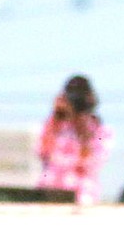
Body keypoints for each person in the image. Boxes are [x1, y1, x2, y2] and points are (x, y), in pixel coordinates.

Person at [37, 75, 111, 205]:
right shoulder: (56, 126)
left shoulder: (100, 130)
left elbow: (87, 163)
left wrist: (82, 123)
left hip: (81, 195)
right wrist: (56, 116)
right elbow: (43, 152)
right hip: (50, 192)